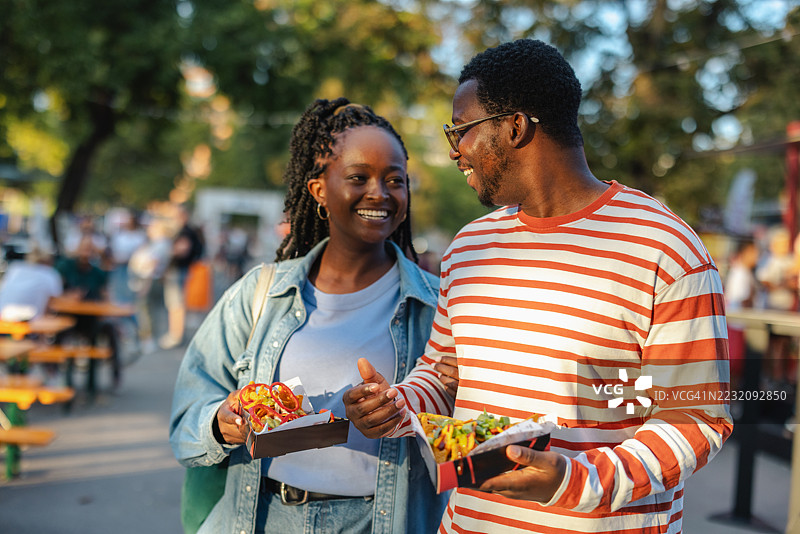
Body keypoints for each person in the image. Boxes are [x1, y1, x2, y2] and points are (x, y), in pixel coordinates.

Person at [344, 39, 732, 534]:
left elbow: (696, 419)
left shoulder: (664, 248)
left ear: (515, 126)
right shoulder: (471, 246)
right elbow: (444, 377)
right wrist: (395, 406)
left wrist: (576, 480)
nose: (452, 150)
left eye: (460, 130)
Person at [169, 98, 453, 534]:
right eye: (359, 177)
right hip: (261, 518)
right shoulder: (261, 294)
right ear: (319, 190)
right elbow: (188, 416)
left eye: (395, 180)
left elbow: (469, 430)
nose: (379, 192)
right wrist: (221, 422)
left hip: (380, 522)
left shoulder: (439, 306)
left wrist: (405, 412)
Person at [160, 204, 204, 349]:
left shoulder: (185, 231)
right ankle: (177, 334)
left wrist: (168, 252)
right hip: (181, 269)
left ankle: (176, 335)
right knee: (176, 304)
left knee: (176, 304)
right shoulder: (188, 231)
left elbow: (183, 249)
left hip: (179, 269)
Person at [0, 247, 63, 321]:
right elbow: (56, 300)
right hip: (28, 321)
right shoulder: (50, 273)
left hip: (3, 315)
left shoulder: (15, 268)